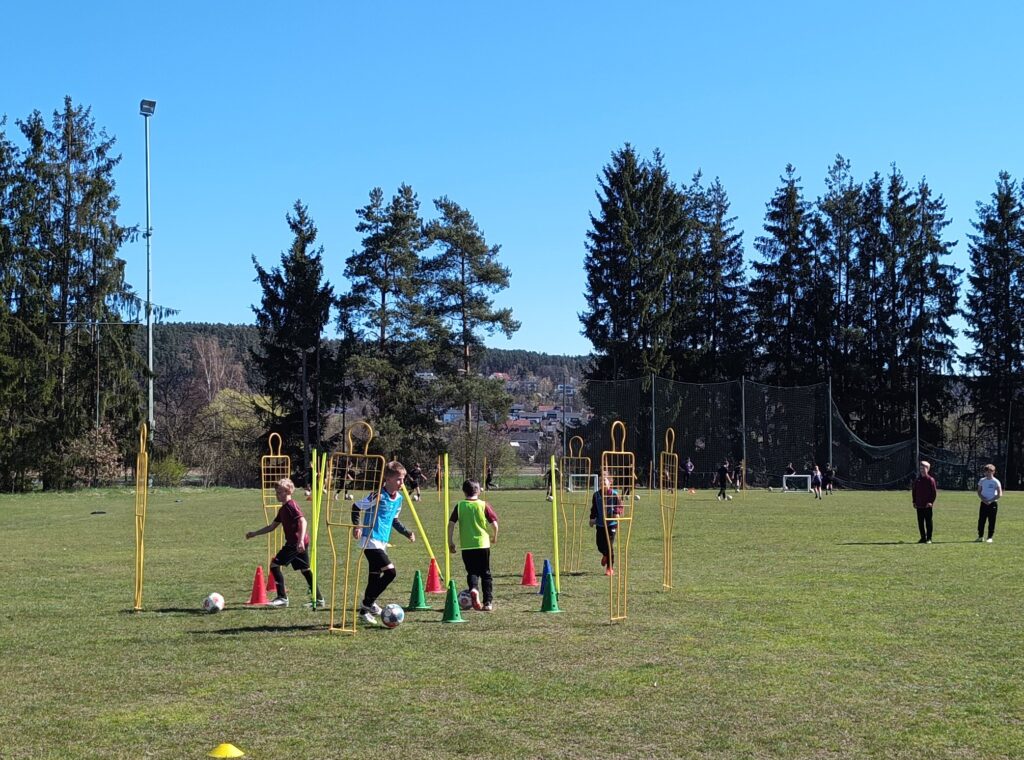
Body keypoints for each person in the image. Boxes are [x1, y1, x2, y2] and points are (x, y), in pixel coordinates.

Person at [352, 461, 417, 625]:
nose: (401, 483)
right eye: (398, 479)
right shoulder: (378, 495)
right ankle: (366, 605)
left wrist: (407, 532)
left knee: (374, 577)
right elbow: (356, 506)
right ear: (387, 479)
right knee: (390, 572)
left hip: (382, 542)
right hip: (370, 540)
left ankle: (368, 607)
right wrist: (357, 526)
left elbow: (394, 520)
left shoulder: (399, 499)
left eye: (403, 479)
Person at [245, 477, 323, 608]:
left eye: (279, 492)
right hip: (299, 542)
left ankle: (282, 598)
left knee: (274, 565)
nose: (277, 495)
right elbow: (272, 526)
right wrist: (255, 533)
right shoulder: (283, 509)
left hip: (295, 543)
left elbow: (303, 521)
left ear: (288, 492)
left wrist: (299, 541)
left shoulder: (291, 505)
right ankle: (319, 599)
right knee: (305, 569)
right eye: (276, 492)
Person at [447, 479, 499, 611]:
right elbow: (494, 524)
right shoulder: (483, 505)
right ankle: (487, 603)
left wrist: (450, 541)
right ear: (479, 491)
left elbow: (451, 524)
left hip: (467, 546)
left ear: (464, 491)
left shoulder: (460, 506)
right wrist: (494, 537)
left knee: (472, 572)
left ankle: (474, 589)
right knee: (486, 573)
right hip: (483, 544)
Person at [590, 473, 623, 574]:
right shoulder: (596, 495)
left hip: (611, 524)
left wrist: (616, 513)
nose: (602, 482)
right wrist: (592, 518)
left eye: (604, 480)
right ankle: (605, 554)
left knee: (609, 545)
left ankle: (610, 567)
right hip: (600, 524)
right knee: (600, 544)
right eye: (600, 481)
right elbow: (594, 508)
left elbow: (619, 506)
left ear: (610, 482)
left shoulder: (615, 494)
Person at [911, 460, 938, 544]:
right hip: (919, 505)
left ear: (928, 469)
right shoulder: (917, 480)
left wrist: (931, 502)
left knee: (928, 522)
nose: (922, 470)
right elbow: (914, 491)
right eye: (921, 468)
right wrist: (914, 501)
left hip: (927, 505)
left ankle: (929, 538)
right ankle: (923, 538)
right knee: (920, 522)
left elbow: (934, 493)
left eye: (924, 468)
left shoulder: (930, 480)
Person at [976, 464, 1003, 543]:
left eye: (990, 472)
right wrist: (983, 499)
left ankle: (990, 537)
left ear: (993, 472)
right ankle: (980, 536)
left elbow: (999, 494)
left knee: (991, 521)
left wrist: (991, 501)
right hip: (983, 503)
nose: (988, 473)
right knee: (981, 520)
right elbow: (979, 491)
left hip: (992, 504)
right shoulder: (982, 480)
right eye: (986, 472)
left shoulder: (996, 481)